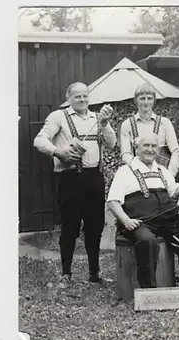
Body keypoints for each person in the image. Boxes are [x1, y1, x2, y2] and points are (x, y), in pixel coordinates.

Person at [33, 82, 116, 288]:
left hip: (94, 178)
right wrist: (58, 152)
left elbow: (112, 143)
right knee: (69, 227)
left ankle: (94, 273)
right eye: (78, 96)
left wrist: (105, 124)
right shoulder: (58, 117)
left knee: (95, 227)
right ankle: (66, 273)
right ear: (68, 97)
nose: (82, 100)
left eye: (85, 96)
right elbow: (39, 140)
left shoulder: (98, 118)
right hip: (69, 178)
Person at [107, 132, 179, 287]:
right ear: (136, 148)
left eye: (154, 146)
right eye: (146, 145)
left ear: (158, 150)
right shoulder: (125, 171)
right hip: (140, 222)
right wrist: (126, 221)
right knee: (148, 242)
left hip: (167, 220)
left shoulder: (162, 170)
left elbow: (175, 193)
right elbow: (112, 201)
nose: (150, 149)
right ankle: (148, 290)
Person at [120, 83, 179, 179]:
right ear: (135, 100)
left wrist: (169, 175)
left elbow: (175, 151)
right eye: (142, 98)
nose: (146, 102)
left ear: (154, 101)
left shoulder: (165, 123)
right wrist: (138, 170)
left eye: (149, 98)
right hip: (138, 176)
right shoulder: (127, 124)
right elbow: (125, 154)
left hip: (162, 174)